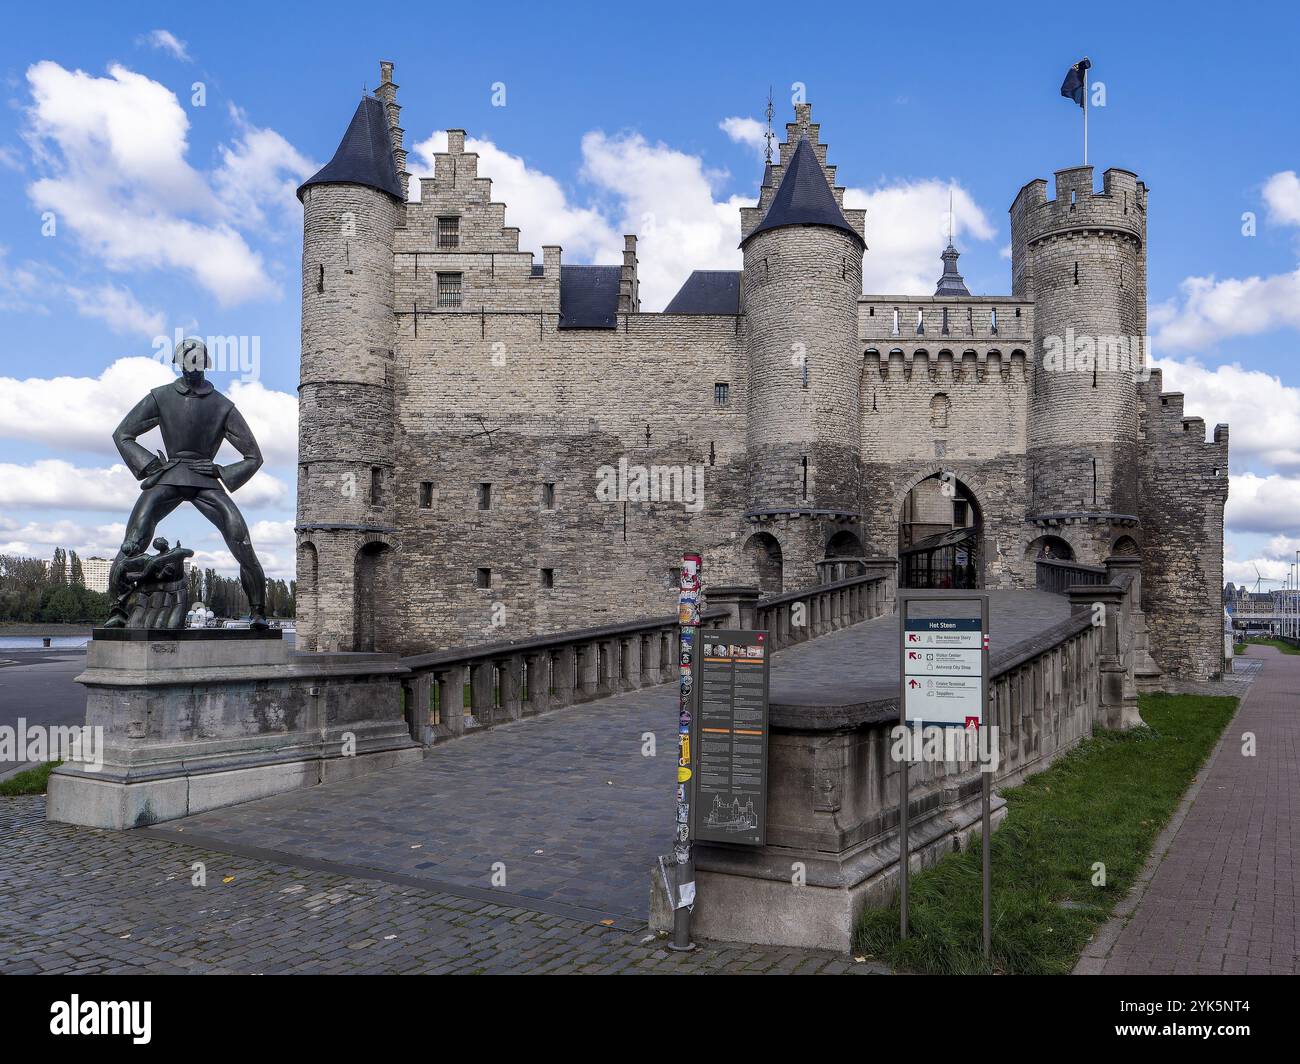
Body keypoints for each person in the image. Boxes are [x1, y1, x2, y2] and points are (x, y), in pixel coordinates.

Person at [104, 338, 268, 629]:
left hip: (205, 478)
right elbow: (123, 434)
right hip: (169, 475)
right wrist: (149, 465)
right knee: (135, 538)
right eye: (186, 362)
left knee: (240, 537)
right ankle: (118, 609)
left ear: (205, 364)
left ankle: (257, 612)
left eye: (197, 362)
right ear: (180, 363)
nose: (191, 369)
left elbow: (253, 456)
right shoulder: (161, 397)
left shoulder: (222, 406)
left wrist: (220, 470)